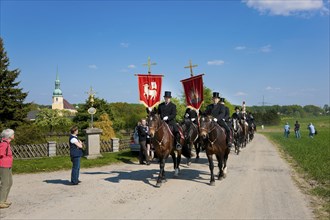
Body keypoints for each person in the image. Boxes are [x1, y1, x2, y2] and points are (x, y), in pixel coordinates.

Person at [0, 129, 15, 209]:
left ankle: (4, 200)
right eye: (13, 134)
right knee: (5, 183)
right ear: (9, 136)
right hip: (3, 166)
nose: (14, 135)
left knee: (10, 183)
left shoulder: (7, 143)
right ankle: (1, 202)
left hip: (8, 165)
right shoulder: (4, 144)